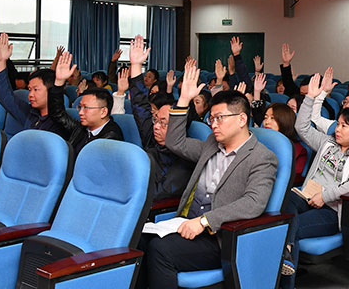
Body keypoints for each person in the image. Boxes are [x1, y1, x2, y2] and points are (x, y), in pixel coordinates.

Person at [137, 65, 277, 289]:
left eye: (219, 118)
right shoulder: (212, 143)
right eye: (212, 118)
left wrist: (204, 222)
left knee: (160, 250)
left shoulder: (262, 157)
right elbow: (175, 143)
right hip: (184, 223)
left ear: (242, 119)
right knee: (138, 241)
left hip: (220, 237)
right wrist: (183, 100)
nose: (213, 124)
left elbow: (253, 203)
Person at [281, 73, 349, 288]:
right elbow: (301, 127)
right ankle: (285, 254)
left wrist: (324, 195)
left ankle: (286, 281)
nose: (338, 129)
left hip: (332, 209)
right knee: (281, 209)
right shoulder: (328, 142)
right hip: (305, 195)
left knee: (290, 227)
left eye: (345, 126)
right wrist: (311, 98)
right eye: (339, 124)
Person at [127, 35, 194, 200]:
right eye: (156, 120)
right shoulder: (153, 139)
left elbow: (159, 195)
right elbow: (140, 106)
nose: (156, 126)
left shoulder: (184, 161)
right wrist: (136, 65)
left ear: (178, 127)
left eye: (163, 123)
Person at [50, 52, 123, 155]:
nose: (80, 112)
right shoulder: (83, 128)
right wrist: (59, 82)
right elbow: (57, 114)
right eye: (80, 107)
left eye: (86, 108)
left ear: (103, 112)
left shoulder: (111, 138)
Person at [0, 33, 66, 137]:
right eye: (29, 89)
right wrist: (0, 61)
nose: (30, 94)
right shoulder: (30, 113)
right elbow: (5, 96)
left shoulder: (62, 123)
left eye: (36, 90)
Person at [262, 102, 308, 183]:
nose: (267, 122)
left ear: (284, 121)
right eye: (265, 117)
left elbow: (290, 180)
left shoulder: (298, 151)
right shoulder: (258, 142)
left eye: (272, 118)